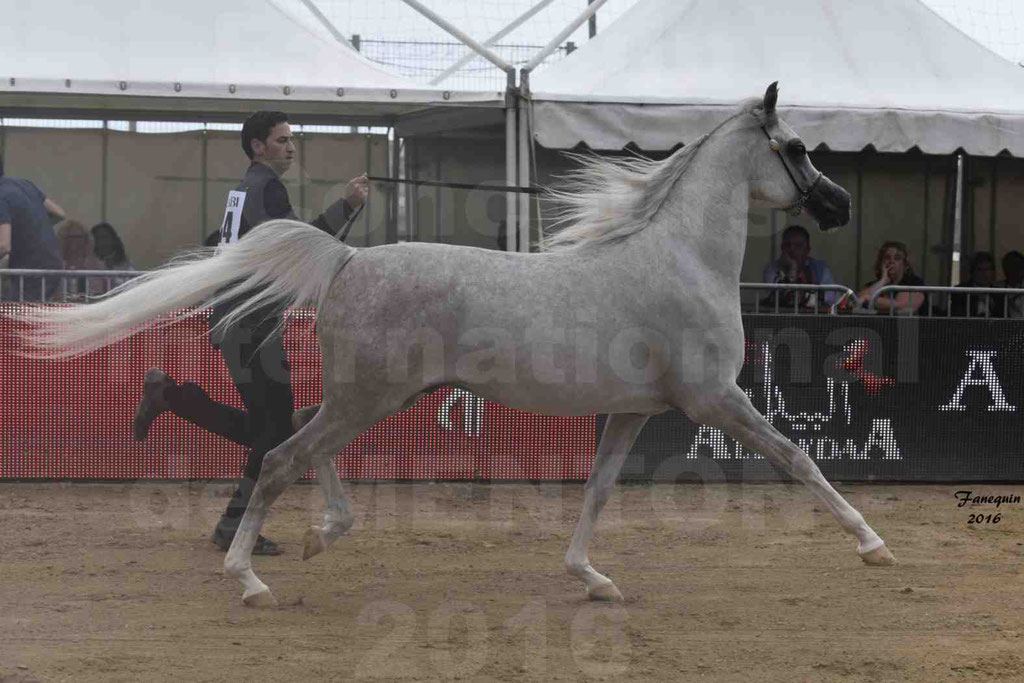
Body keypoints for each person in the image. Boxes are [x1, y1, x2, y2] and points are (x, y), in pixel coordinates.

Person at [133, 110, 369, 555]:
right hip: (251, 324)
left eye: (292, 139)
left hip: (241, 320)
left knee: (271, 429)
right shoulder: (267, 189)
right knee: (275, 430)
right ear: (257, 147)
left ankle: (171, 399)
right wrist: (347, 207)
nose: (291, 147)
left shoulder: (244, 190)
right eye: (282, 140)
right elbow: (302, 248)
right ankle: (230, 524)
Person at [0, 159, 67, 301]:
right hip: (54, 265)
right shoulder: (25, 184)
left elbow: (4, 246)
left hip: (30, 272)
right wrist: (30, 227)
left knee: (19, 318)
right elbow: (59, 213)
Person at [761, 225, 837, 308]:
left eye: (798, 245)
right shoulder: (772, 269)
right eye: (787, 245)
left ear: (807, 250)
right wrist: (793, 269)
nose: (792, 249)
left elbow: (829, 299)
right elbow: (784, 299)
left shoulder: (821, 268)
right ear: (782, 248)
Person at [855, 241, 926, 314]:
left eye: (897, 258)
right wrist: (883, 281)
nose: (891, 261)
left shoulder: (914, 282)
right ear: (881, 262)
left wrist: (868, 299)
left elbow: (902, 307)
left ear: (905, 264)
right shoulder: (874, 284)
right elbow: (855, 301)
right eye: (887, 257)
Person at [950, 251, 1002, 317]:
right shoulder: (960, 292)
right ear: (972, 272)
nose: (984, 274)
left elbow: (1005, 319)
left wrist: (991, 304)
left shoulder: (999, 294)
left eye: (987, 269)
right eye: (979, 270)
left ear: (992, 272)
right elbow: (956, 316)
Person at [1001, 250, 1024, 319]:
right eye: (1012, 266)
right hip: (1007, 327)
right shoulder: (998, 289)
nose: (1015, 271)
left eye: (1019, 266)